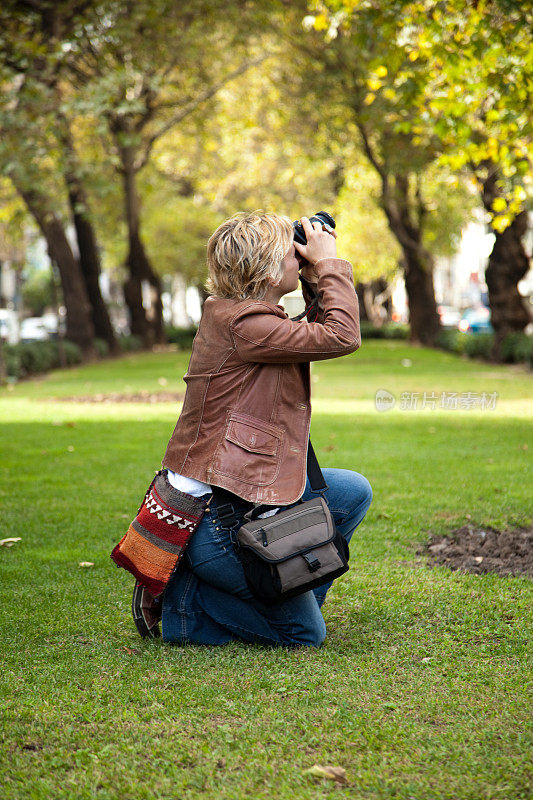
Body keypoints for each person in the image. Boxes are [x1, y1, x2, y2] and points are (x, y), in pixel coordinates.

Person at [139, 212, 372, 647]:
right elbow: (341, 336)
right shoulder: (245, 326)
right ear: (266, 269)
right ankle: (187, 606)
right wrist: (327, 266)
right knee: (304, 637)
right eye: (291, 249)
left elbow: (313, 332)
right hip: (218, 526)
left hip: (249, 504)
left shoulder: (245, 319)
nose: (300, 254)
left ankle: (280, 598)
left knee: (352, 491)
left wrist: (310, 273)